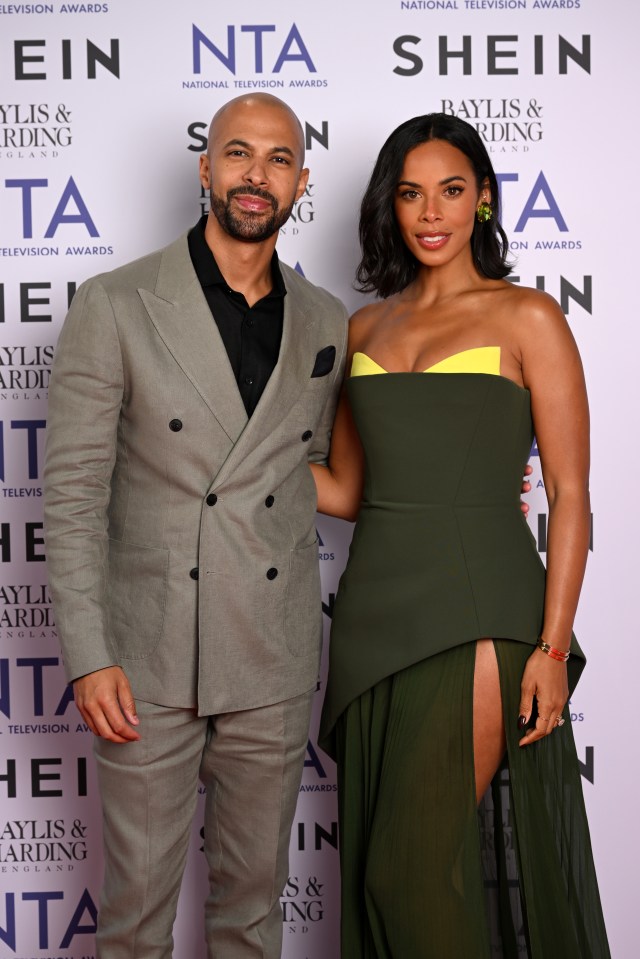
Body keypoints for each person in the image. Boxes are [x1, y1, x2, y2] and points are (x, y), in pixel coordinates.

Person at [43, 93, 348, 959]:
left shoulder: (325, 318)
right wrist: (91, 653)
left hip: (272, 654)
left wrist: (460, 485)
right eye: (239, 154)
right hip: (147, 657)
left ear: (301, 181)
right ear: (206, 168)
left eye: (279, 158)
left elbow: (307, 472)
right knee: (136, 919)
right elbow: (70, 494)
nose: (258, 174)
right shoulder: (117, 303)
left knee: (251, 915)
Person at [313, 114, 610, 958]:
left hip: (483, 610)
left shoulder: (528, 317)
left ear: (482, 199)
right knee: (387, 868)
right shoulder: (362, 330)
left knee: (406, 873)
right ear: (389, 205)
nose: (430, 211)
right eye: (410, 193)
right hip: (373, 618)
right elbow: (344, 489)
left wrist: (552, 650)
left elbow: (570, 490)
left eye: (450, 190)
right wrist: (219, 458)